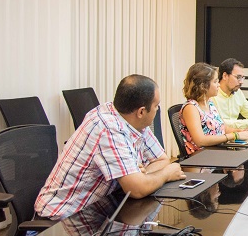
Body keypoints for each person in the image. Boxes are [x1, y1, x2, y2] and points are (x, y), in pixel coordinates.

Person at [35, 74, 185, 220]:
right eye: (156, 106)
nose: (157, 110)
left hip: (98, 210)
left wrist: (141, 177)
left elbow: (161, 159)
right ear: (141, 111)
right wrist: (166, 174)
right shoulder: (108, 128)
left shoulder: (133, 121)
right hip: (62, 219)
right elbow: (137, 189)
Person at [179, 62, 248, 155]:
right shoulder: (191, 108)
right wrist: (234, 136)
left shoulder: (210, 104)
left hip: (217, 153)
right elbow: (200, 141)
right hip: (201, 158)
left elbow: (223, 127)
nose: (219, 85)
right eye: (215, 82)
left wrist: (240, 132)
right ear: (203, 85)